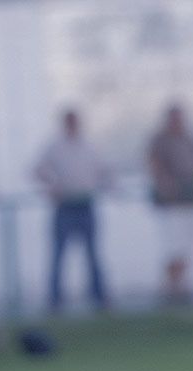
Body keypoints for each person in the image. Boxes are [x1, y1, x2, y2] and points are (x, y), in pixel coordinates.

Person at [35, 108, 112, 311]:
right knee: (59, 254)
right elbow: (38, 170)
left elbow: (104, 171)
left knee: (93, 253)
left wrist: (104, 184)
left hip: (86, 204)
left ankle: (99, 297)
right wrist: (51, 186)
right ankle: (55, 299)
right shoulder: (54, 147)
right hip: (64, 205)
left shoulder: (90, 146)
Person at [147, 104, 193, 303]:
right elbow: (154, 166)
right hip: (170, 202)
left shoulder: (190, 138)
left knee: (189, 244)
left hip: (189, 199)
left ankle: (182, 285)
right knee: (173, 246)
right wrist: (165, 183)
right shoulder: (160, 141)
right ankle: (171, 288)